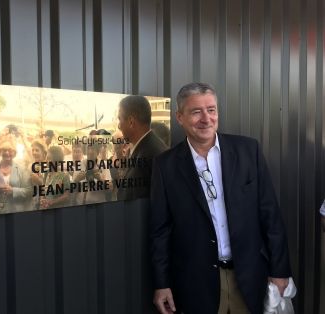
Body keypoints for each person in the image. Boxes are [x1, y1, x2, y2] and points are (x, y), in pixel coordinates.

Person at [150, 83, 291, 314]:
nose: (206, 118)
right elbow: (160, 231)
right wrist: (161, 284)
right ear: (180, 117)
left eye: (211, 110)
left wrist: (280, 270)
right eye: (196, 112)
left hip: (248, 276)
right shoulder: (166, 166)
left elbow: (270, 215)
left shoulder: (248, 151)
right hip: (197, 283)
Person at [116, 95, 168, 200]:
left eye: (120, 119)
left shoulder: (153, 154)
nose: (119, 126)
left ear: (131, 122)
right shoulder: (146, 148)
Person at [0, 138, 33, 214]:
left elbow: (29, 191)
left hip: (17, 211)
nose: (7, 153)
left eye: (10, 150)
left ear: (14, 153)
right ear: (0, 152)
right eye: (4, 150)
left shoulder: (22, 169)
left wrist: (13, 191)